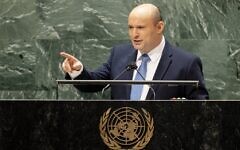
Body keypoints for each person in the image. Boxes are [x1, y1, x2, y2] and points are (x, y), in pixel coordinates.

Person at [60, 3, 209, 100]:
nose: (134, 34)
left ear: (159, 27)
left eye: (140, 28)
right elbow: (93, 84)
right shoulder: (119, 54)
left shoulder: (186, 63)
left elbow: (203, 108)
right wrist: (77, 72)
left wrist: (186, 108)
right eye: (130, 27)